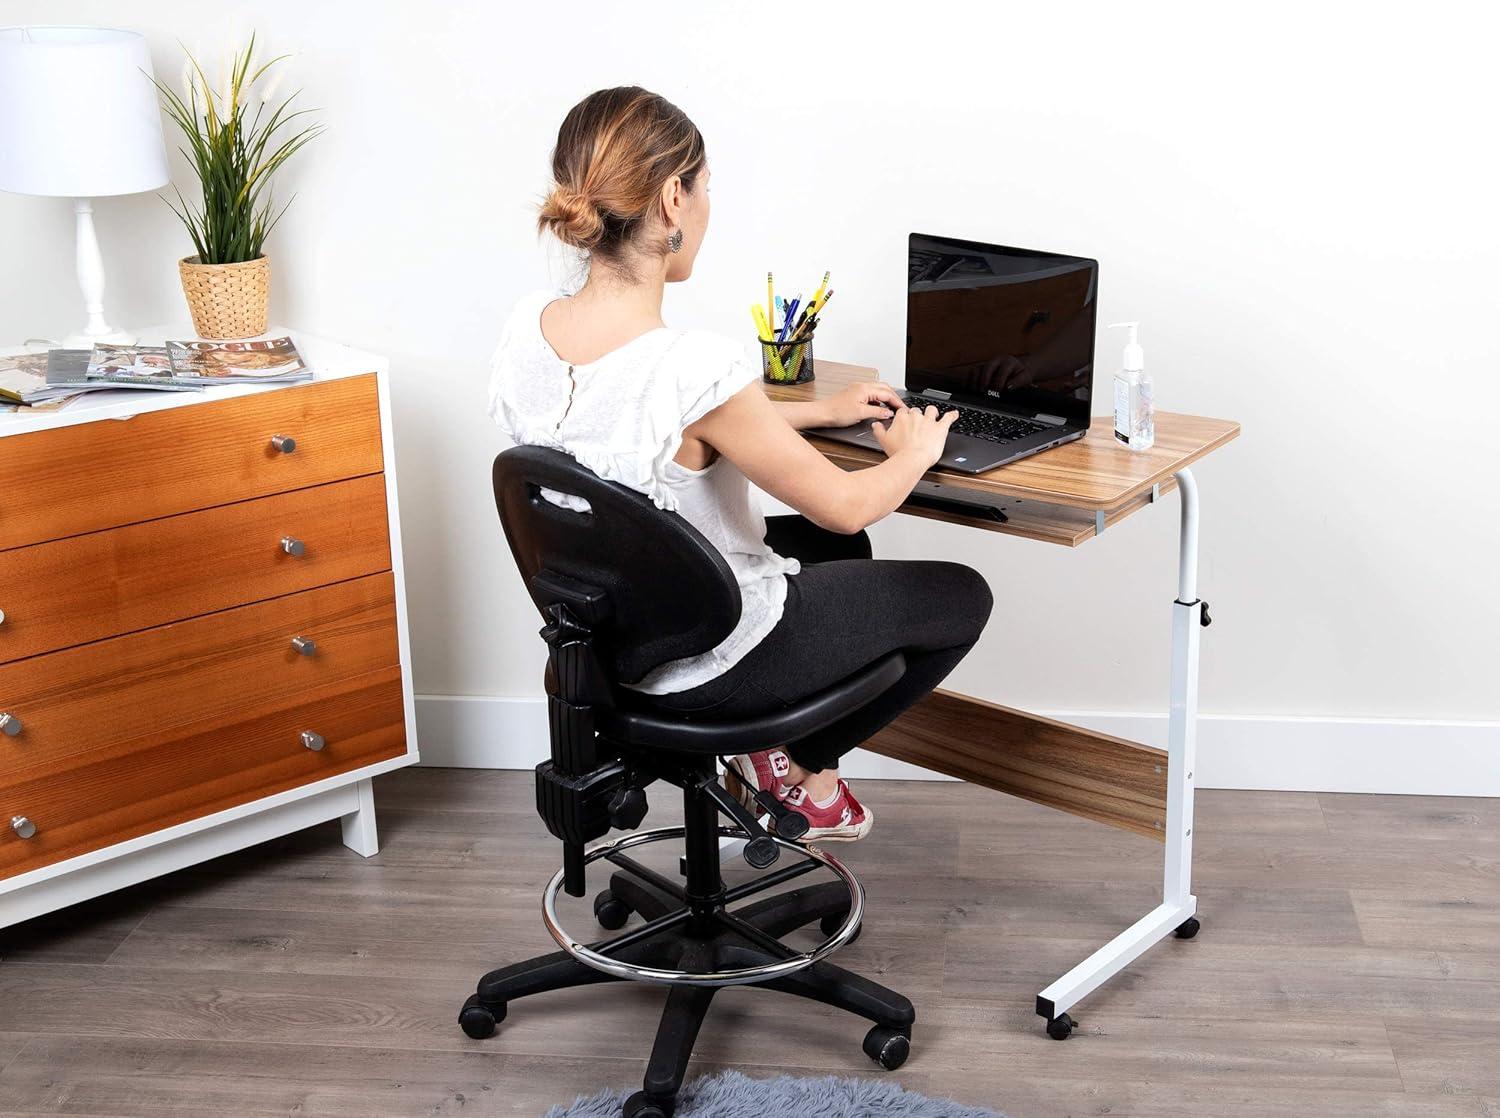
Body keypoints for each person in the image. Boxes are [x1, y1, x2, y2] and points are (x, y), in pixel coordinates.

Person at [489, 86, 992, 841]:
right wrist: (916, 452)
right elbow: (847, 502)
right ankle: (804, 779)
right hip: (709, 660)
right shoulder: (693, 367)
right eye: (706, 187)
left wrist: (816, 413)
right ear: (671, 199)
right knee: (960, 596)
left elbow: (651, 426)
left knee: (833, 555)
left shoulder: (531, 329)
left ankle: (764, 761)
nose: (707, 205)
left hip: (605, 644)